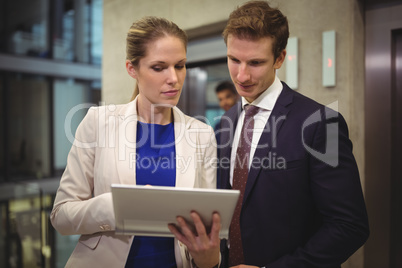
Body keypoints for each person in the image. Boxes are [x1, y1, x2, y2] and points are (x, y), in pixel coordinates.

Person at [50, 16, 220, 268]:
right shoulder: (99, 122)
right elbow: (61, 216)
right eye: (159, 67)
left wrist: (209, 258)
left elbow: (204, 228)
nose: (174, 78)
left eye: (180, 65)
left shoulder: (202, 135)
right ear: (132, 69)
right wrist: (120, 206)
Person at [216, 1, 370, 267]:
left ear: (279, 58)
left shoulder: (322, 123)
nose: (241, 75)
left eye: (255, 62)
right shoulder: (225, 123)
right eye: (234, 60)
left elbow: (349, 226)